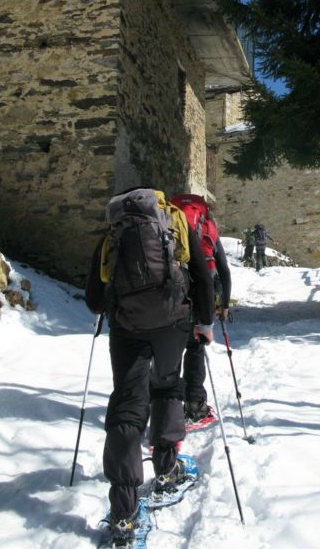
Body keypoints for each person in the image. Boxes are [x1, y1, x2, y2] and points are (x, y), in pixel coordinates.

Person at [85, 187, 214, 548]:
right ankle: (167, 468)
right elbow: (202, 276)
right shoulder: (174, 220)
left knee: (127, 405)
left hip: (127, 329)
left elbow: (94, 300)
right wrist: (204, 322)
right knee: (168, 385)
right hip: (173, 322)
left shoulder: (113, 231)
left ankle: (124, 513)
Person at [169, 195, 232, 422]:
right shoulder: (208, 228)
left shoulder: (169, 222)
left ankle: (168, 406)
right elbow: (223, 269)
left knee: (170, 350)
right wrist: (223, 305)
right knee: (195, 347)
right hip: (201, 295)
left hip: (173, 293)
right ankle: (195, 405)